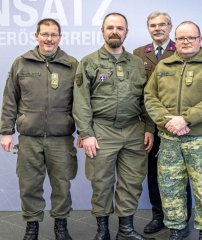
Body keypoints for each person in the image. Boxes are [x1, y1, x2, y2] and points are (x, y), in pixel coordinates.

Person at [72, 12, 155, 240]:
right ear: (102, 31)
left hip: (133, 130)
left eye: (119, 28)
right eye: (110, 28)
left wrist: (148, 127)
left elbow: (145, 100)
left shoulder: (138, 64)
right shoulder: (88, 62)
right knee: (101, 182)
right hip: (102, 131)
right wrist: (86, 133)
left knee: (131, 181)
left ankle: (126, 230)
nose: (115, 32)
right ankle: (103, 231)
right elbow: (81, 101)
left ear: (126, 32)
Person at [144, 21, 202, 240]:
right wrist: (168, 122)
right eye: (181, 38)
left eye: (191, 38)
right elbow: (150, 96)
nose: (186, 42)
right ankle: (176, 228)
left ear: (200, 39)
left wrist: (186, 119)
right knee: (170, 188)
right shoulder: (164, 66)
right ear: (175, 40)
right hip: (170, 139)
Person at [0, 18, 78, 240]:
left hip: (61, 139)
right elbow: (9, 99)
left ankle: (60, 227)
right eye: (45, 34)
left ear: (60, 38)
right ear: (36, 36)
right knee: (29, 185)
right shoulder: (21, 63)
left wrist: (84, 132)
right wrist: (7, 131)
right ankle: (31, 227)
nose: (49, 39)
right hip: (29, 138)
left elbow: (81, 103)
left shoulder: (72, 65)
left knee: (62, 185)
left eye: (54, 35)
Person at [133, 11, 192, 234]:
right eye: (152, 25)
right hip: (151, 124)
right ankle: (159, 216)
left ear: (170, 27)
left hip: (178, 124)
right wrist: (147, 124)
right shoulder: (139, 53)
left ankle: (183, 218)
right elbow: (139, 92)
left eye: (161, 25)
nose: (157, 28)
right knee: (155, 172)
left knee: (179, 173)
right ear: (148, 28)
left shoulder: (182, 48)